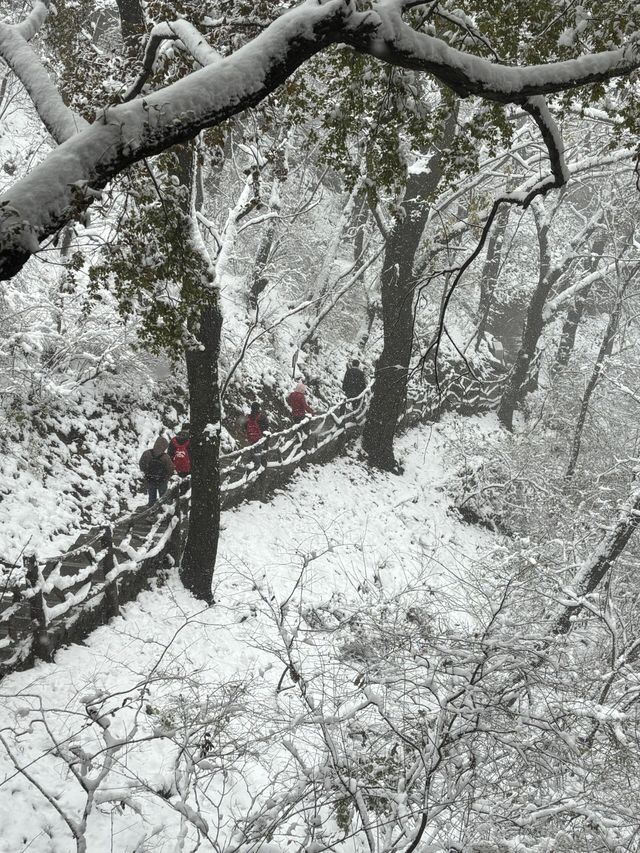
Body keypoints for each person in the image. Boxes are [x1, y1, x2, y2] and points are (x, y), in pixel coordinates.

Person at [139, 436, 174, 506]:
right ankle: (162, 510)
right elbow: (171, 468)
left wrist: (146, 471)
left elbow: (141, 464)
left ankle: (151, 509)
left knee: (152, 496)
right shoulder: (165, 457)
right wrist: (167, 476)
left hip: (150, 478)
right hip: (162, 480)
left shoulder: (147, 453)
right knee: (163, 497)